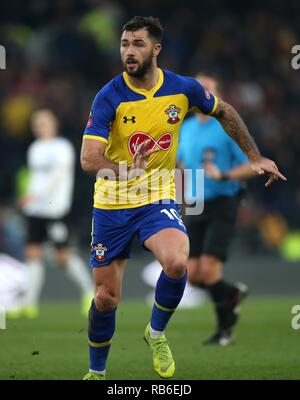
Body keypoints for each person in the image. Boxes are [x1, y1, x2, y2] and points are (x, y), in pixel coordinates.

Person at [80, 16, 286, 380]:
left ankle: (155, 333)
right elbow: (88, 158)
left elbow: (224, 111)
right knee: (105, 299)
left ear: (156, 49)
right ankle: (97, 373)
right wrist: (127, 170)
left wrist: (254, 156)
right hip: (111, 203)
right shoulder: (109, 96)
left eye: (138, 44)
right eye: (125, 44)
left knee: (177, 262)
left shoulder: (182, 89)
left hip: (156, 197)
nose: (129, 51)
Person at [177, 73, 256, 346]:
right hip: (195, 204)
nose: (202, 93)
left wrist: (223, 175)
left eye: (207, 88)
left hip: (224, 201)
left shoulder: (226, 126)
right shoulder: (185, 128)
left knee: (209, 269)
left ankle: (225, 332)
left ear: (217, 95)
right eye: (198, 88)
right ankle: (232, 293)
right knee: (192, 274)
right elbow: (180, 166)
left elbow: (252, 165)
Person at [9, 109, 93, 319]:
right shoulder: (35, 148)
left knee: (63, 256)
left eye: (43, 122)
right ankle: (29, 303)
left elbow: (57, 176)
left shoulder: (62, 147)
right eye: (36, 123)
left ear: (54, 124)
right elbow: (35, 177)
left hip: (55, 209)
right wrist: (28, 196)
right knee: (32, 254)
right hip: (35, 209)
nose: (39, 126)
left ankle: (89, 293)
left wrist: (34, 195)